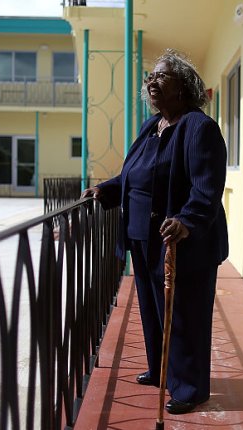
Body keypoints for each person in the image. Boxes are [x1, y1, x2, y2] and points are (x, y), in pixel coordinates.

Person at [81, 49, 228, 414]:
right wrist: (106, 190)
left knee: (183, 314)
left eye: (162, 76)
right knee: (152, 309)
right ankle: (162, 369)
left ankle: (189, 387)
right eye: (151, 77)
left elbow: (206, 188)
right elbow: (133, 175)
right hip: (142, 238)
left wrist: (187, 221)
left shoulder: (198, 127)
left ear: (184, 86)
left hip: (180, 241)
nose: (152, 81)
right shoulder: (151, 127)